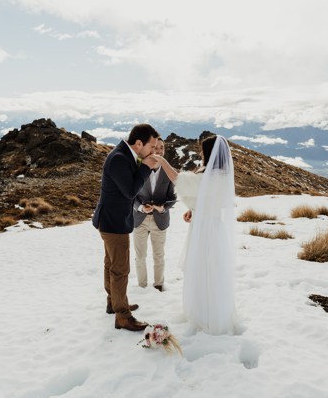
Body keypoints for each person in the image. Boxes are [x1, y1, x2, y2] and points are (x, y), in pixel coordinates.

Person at [92, 123, 172, 332]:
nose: (154, 151)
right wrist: (146, 167)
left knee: (110, 264)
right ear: (139, 144)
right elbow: (130, 191)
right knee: (120, 269)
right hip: (113, 222)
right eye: (152, 146)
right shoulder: (119, 158)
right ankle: (123, 317)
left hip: (112, 220)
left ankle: (114, 303)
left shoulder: (124, 154)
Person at [176, 134, 240, 335]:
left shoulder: (213, 177)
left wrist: (161, 162)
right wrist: (193, 210)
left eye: (203, 151)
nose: (201, 154)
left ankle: (207, 314)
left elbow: (183, 182)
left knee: (205, 268)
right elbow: (204, 198)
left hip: (206, 229)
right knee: (204, 267)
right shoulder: (219, 176)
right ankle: (202, 309)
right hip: (207, 224)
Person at [132, 139, 178, 292]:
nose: (159, 151)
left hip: (160, 219)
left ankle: (158, 285)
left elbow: (173, 196)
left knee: (159, 256)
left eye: (162, 148)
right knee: (140, 256)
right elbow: (130, 195)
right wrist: (140, 208)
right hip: (139, 219)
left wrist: (162, 207)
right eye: (155, 148)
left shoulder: (169, 172)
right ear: (150, 150)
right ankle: (142, 286)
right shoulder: (137, 169)